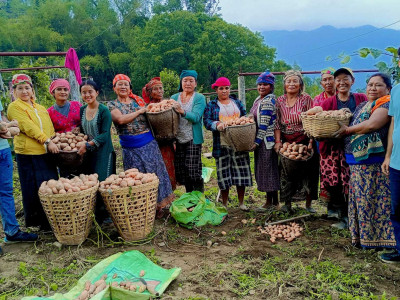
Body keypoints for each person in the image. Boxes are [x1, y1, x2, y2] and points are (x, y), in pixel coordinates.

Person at [335, 73, 394, 248]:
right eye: (370, 85)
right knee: (361, 201)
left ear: (388, 89)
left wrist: (347, 130)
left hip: (374, 163)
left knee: (374, 201)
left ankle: (381, 241)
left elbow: (371, 125)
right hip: (357, 164)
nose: (373, 88)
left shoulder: (386, 104)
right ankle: (362, 238)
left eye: (378, 85)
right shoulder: (363, 105)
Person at [108, 74, 174, 215]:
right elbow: (120, 120)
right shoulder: (112, 105)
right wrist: (140, 111)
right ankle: (143, 208)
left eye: (126, 84)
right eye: (119, 84)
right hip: (130, 148)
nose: (123, 87)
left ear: (130, 87)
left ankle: (159, 207)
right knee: (138, 178)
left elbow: (152, 113)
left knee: (155, 174)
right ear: (114, 88)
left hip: (149, 144)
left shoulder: (137, 101)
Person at [7, 74, 59, 231]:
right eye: (20, 88)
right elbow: (28, 127)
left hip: (45, 152)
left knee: (49, 186)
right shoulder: (15, 107)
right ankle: (36, 222)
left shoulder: (40, 108)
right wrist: (47, 141)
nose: (24, 91)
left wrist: (53, 138)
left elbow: (49, 126)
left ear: (32, 90)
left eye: (27, 88)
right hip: (28, 154)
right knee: (32, 187)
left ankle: (49, 220)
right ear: (14, 91)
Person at [319, 68, 368, 228]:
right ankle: (343, 217)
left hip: (355, 148)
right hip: (332, 148)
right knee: (334, 183)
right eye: (338, 79)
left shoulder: (361, 99)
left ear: (352, 81)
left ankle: (357, 218)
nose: (341, 82)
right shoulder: (328, 103)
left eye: (345, 78)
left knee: (353, 183)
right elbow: (321, 125)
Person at [203, 77, 252, 210]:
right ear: (216, 90)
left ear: (230, 89)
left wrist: (244, 122)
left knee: (241, 173)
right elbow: (206, 121)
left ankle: (241, 202)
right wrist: (216, 124)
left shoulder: (236, 102)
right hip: (222, 144)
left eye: (226, 88)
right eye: (221, 88)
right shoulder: (212, 105)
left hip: (239, 143)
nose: (224, 91)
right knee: (224, 175)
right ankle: (224, 203)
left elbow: (244, 116)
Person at [274, 70, 319, 213]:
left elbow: (311, 120)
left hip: (304, 139)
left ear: (300, 84)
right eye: (289, 81)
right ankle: (287, 203)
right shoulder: (279, 100)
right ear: (284, 84)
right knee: (286, 171)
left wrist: (311, 141)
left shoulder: (305, 99)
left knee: (308, 171)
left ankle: (308, 204)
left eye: (295, 81)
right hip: (287, 141)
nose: (291, 84)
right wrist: (278, 141)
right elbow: (276, 123)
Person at [0, 98, 38, 253]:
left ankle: (12, 232)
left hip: (2, 150)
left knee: (6, 192)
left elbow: (1, 116)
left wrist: (8, 125)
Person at [77, 80, 115, 223]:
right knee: (90, 182)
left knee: (102, 181)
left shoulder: (104, 110)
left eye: (90, 91)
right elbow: (83, 129)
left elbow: (105, 134)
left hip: (103, 151)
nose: (87, 95)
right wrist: (78, 132)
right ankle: (94, 214)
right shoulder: (82, 110)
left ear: (97, 92)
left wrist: (89, 144)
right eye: (84, 92)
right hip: (88, 151)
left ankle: (106, 214)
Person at [171, 70, 206, 192]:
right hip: (179, 138)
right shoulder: (174, 97)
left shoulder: (199, 98)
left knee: (193, 169)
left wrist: (182, 111)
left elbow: (196, 117)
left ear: (195, 83)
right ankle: (189, 195)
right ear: (181, 83)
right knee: (182, 170)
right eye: (185, 80)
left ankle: (199, 196)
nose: (188, 83)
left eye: (191, 81)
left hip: (193, 138)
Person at [381, 46, 400, 263]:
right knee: (397, 208)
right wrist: (388, 156)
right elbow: (394, 123)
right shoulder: (396, 91)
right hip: (396, 161)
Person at [249, 71, 279, 210]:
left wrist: (256, 142)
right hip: (261, 141)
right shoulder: (258, 100)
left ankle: (271, 203)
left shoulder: (268, 100)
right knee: (266, 170)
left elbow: (264, 124)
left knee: (268, 171)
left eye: (265, 84)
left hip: (267, 141)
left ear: (271, 86)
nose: (261, 87)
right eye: (260, 84)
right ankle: (273, 202)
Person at [142, 77, 177, 190]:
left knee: (170, 168)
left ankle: (170, 195)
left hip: (168, 142)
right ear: (150, 93)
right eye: (155, 89)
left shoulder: (168, 104)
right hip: (153, 144)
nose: (159, 91)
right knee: (157, 169)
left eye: (161, 88)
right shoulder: (147, 108)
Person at [313, 68, 335, 207]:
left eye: (330, 79)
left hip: (341, 139)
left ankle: (343, 205)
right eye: (324, 80)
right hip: (323, 140)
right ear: (321, 83)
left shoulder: (342, 96)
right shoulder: (318, 99)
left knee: (341, 172)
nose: (327, 82)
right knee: (326, 171)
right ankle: (330, 206)